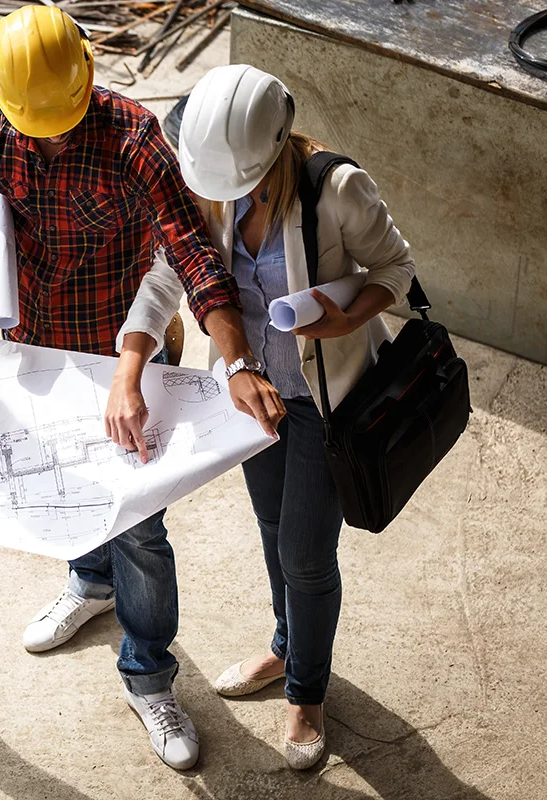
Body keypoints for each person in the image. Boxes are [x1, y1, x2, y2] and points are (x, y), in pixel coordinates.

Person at [0, 6, 285, 770]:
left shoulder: (134, 139)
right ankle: (90, 585)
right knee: (67, 484)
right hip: (38, 339)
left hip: (123, 345)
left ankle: (148, 676)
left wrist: (238, 361)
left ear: (89, 79)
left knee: (139, 523)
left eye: (59, 120)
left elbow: (190, 253)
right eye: (36, 123)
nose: (49, 134)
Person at [175, 64, 416, 769]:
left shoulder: (335, 186)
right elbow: (183, 271)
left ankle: (307, 691)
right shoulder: (210, 184)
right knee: (274, 529)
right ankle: (287, 648)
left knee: (307, 557)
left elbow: (395, 269)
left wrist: (350, 321)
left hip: (323, 402)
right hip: (253, 396)